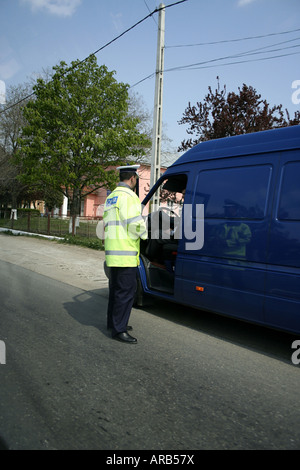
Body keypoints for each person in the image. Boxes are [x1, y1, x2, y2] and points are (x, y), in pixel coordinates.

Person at [103, 165, 147, 343]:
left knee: (115, 291)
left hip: (113, 252)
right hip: (126, 252)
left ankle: (113, 323)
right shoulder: (130, 197)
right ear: (133, 178)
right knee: (126, 293)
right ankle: (119, 330)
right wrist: (145, 233)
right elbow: (134, 223)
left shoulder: (112, 196)